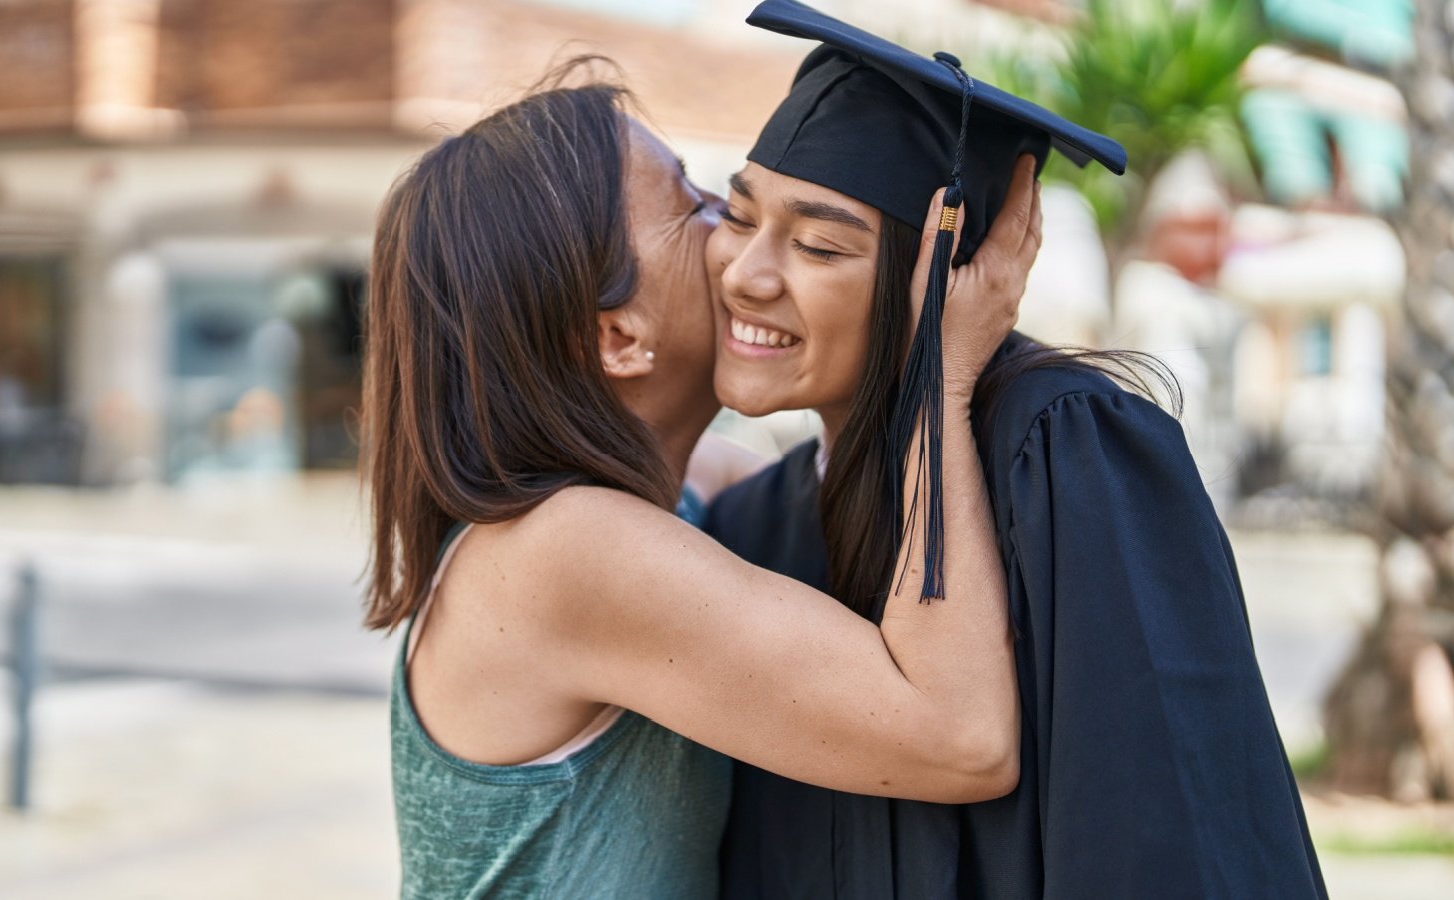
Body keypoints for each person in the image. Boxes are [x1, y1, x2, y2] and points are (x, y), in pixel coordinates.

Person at [362, 59, 1044, 898]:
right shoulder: (568, 550)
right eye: (697, 208)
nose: (736, 241)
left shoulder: (671, 497)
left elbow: (824, 481)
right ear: (618, 338)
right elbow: (962, 736)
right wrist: (943, 365)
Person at [704, 2, 1327, 897]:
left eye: (817, 244)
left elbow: (1169, 831)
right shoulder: (750, 524)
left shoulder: (1067, 452)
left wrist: (936, 384)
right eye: (736, 214)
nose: (745, 273)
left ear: (948, 268)